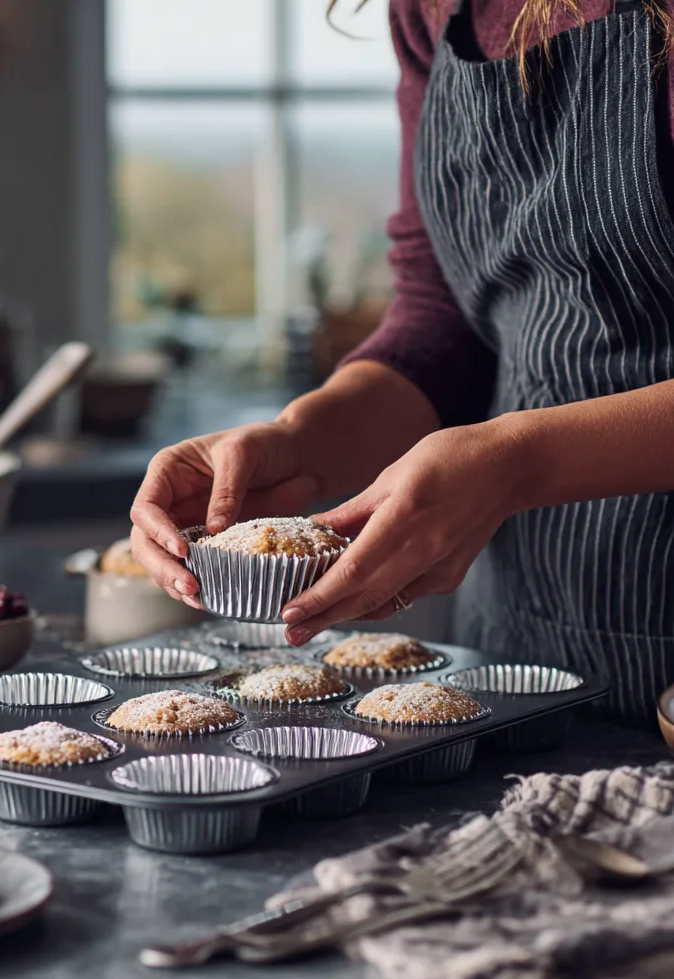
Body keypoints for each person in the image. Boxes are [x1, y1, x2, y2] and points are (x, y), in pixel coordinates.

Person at [130, 0, 674, 728]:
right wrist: (300, 443)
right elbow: (442, 316)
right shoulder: (434, 8)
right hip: (528, 635)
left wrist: (518, 461)